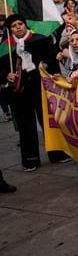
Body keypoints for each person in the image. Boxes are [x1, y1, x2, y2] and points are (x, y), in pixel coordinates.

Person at [0, 14, 62, 170]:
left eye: (20, 23)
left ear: (25, 24)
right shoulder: (5, 46)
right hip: (19, 91)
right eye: (14, 26)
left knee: (48, 120)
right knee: (25, 124)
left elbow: (52, 57)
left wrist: (45, 64)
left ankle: (58, 154)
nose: (18, 27)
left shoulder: (40, 39)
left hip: (40, 84)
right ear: (10, 29)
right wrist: (6, 74)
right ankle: (30, 159)